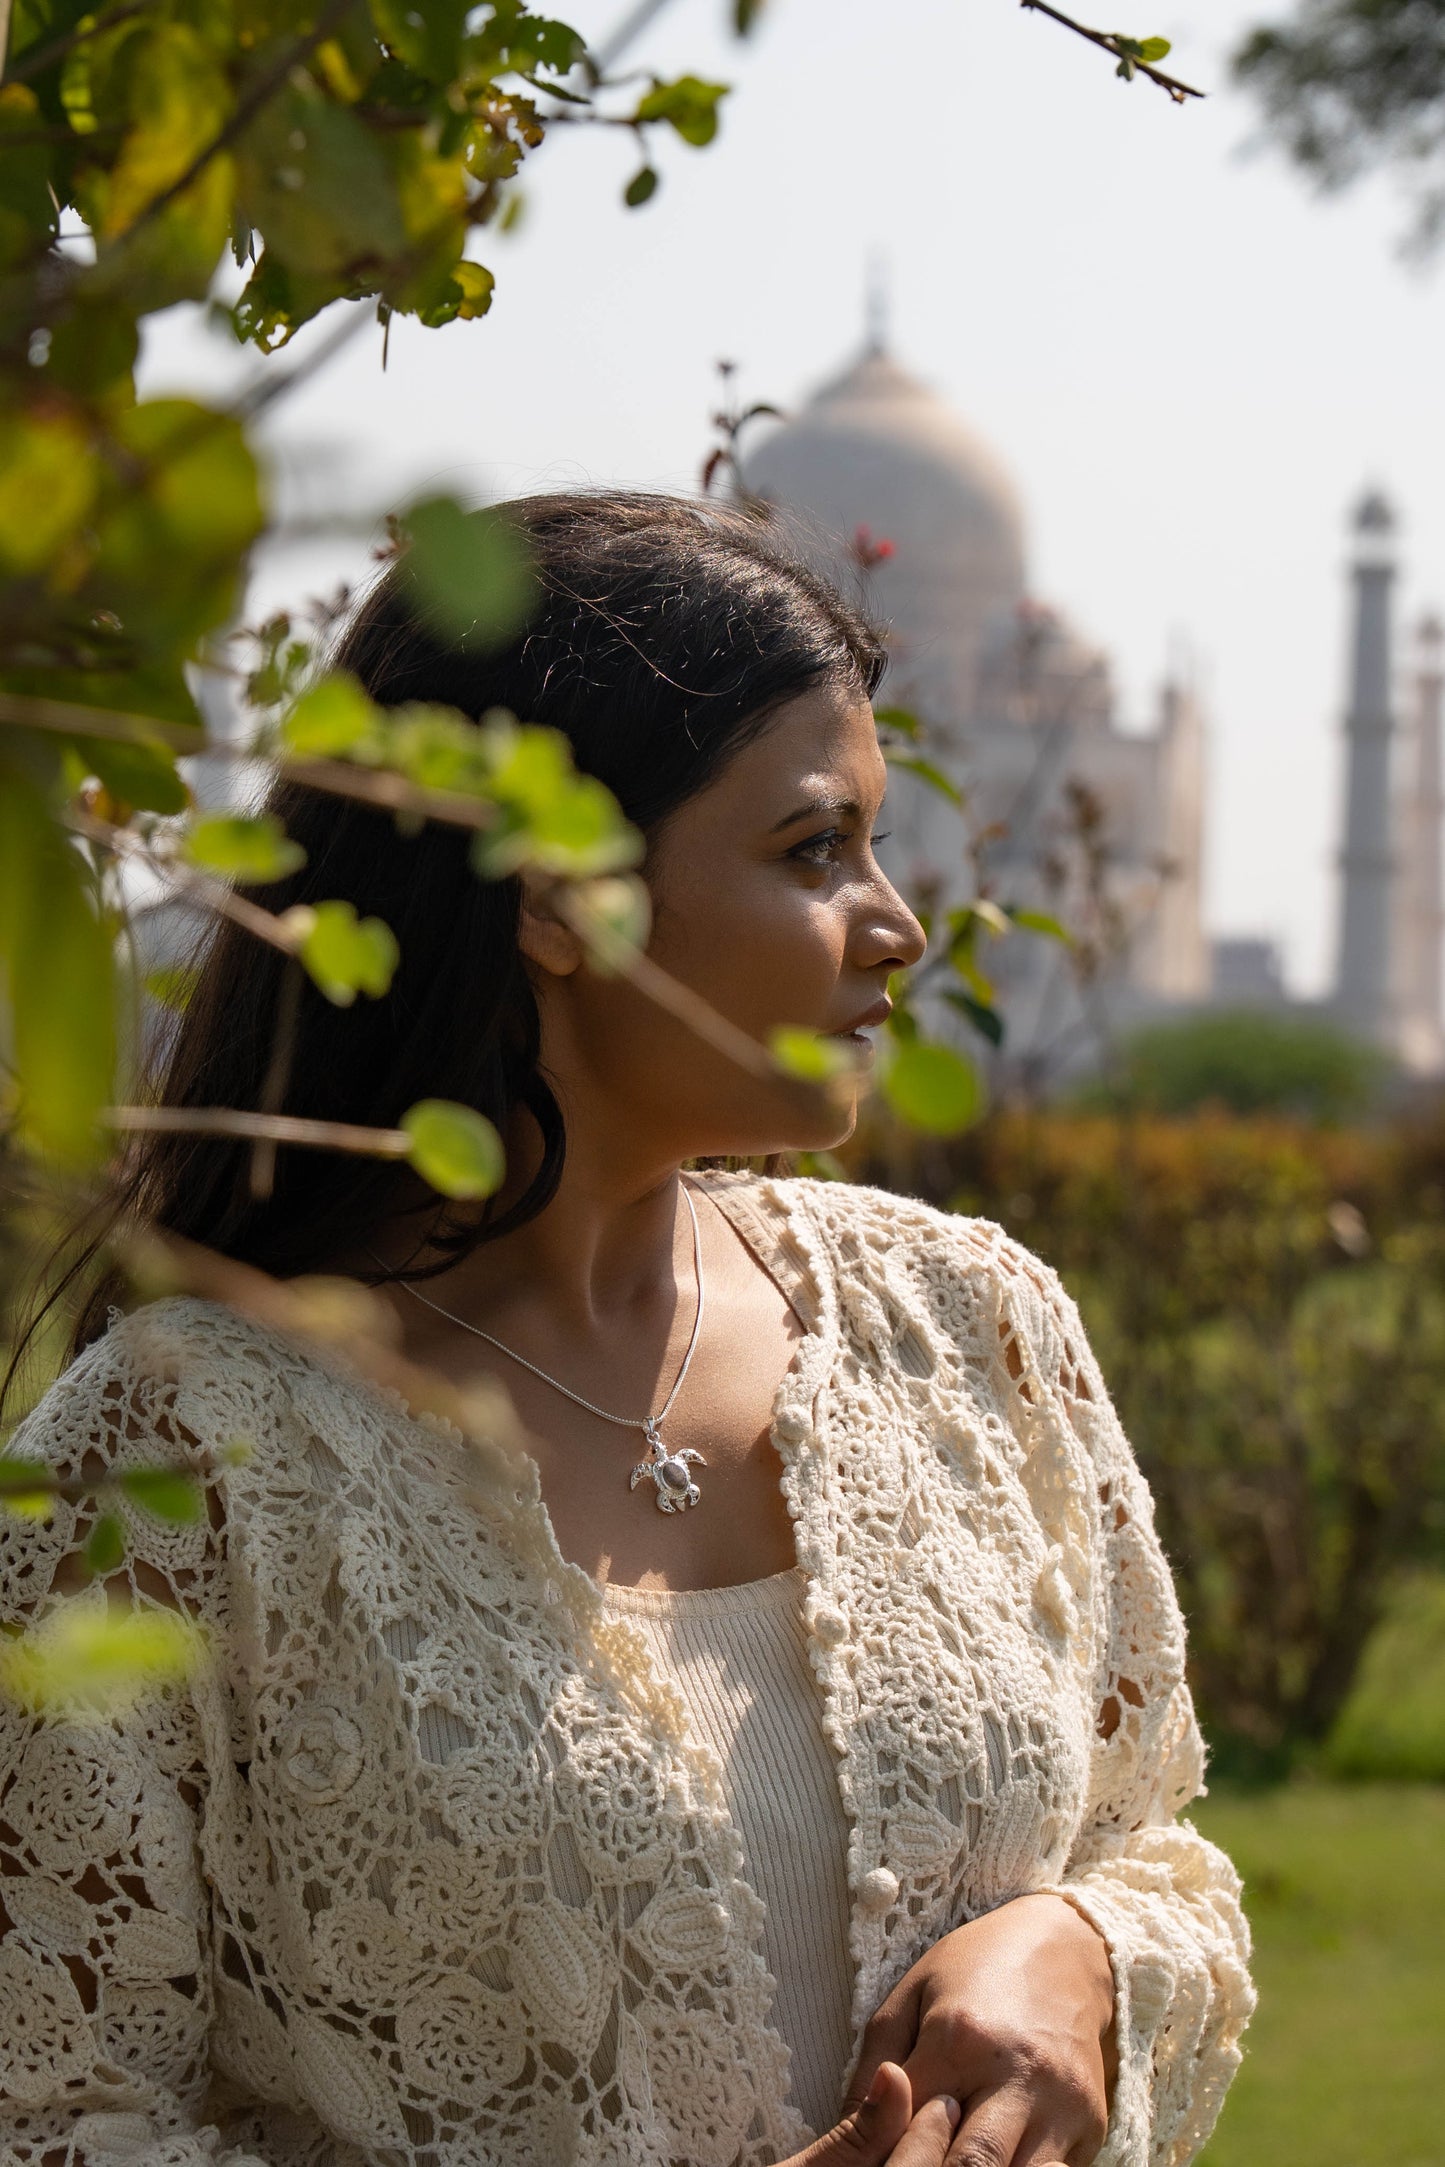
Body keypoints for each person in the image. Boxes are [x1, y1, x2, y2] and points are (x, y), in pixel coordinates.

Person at [0, 494, 1252, 2167]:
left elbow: (1153, 1852)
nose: (897, 921)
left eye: (876, 840)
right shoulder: (176, 1464)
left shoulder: (965, 1331)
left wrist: (1073, 1954)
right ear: (555, 899)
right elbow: (55, 2114)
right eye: (813, 850)